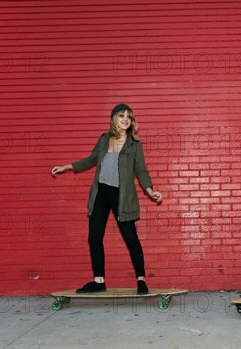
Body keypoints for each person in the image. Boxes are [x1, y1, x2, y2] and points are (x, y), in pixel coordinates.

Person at [51, 104, 163, 294]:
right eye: (121, 115)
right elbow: (91, 159)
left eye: (129, 116)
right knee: (94, 237)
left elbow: (141, 171)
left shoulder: (134, 144)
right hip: (100, 193)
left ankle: (141, 280)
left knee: (130, 238)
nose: (126, 119)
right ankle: (99, 281)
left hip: (122, 196)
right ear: (114, 118)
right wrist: (67, 166)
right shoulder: (104, 140)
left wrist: (150, 190)